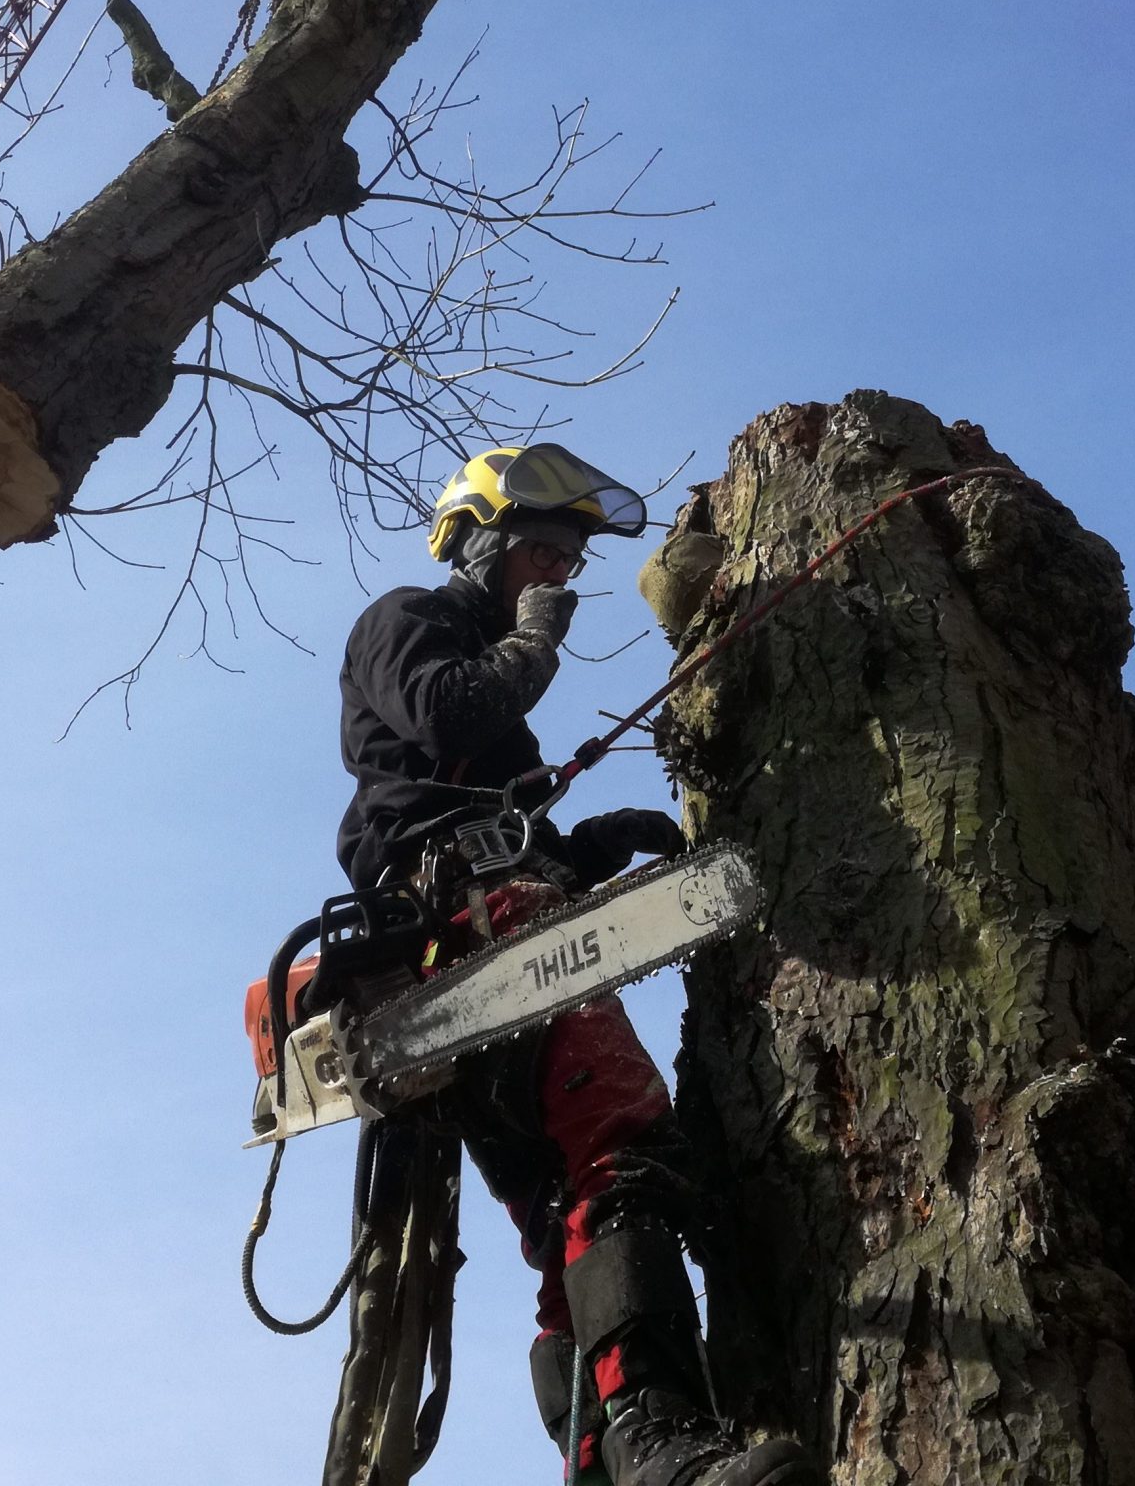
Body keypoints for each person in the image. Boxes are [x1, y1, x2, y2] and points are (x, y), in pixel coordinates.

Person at [338, 442, 818, 1486]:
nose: (558, 574)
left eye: (568, 560)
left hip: (493, 916)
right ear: (482, 547)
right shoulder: (404, 621)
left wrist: (597, 843)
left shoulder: (495, 725)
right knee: (626, 1140)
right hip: (463, 931)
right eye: (541, 553)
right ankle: (659, 1433)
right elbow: (448, 712)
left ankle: (600, 1461)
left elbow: (508, 830)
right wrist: (533, 642)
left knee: (569, 1204)